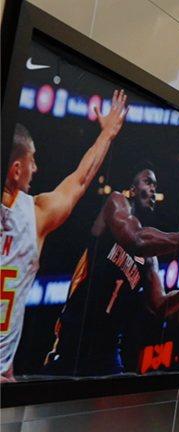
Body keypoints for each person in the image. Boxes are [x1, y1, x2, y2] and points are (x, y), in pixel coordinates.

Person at [0, 91, 126, 381]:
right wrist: (107, 134)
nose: (35, 168)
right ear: (16, 170)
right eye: (31, 161)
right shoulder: (35, 216)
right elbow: (80, 180)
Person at [46, 168, 179, 375]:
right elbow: (135, 239)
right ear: (132, 190)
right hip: (77, 333)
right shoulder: (115, 202)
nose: (153, 189)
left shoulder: (149, 257)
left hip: (108, 347)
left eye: (155, 186)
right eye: (147, 182)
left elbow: (160, 306)